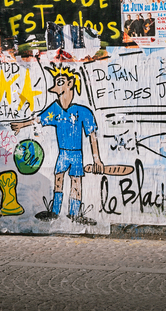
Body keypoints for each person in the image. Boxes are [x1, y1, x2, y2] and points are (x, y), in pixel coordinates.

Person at [12, 64, 104, 225]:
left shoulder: (82, 111)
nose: (56, 85)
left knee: (76, 181)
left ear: (70, 84)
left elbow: (92, 135)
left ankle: (74, 213)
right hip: (63, 153)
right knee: (58, 180)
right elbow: (38, 120)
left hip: (76, 154)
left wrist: (96, 159)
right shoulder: (55, 109)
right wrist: (22, 125)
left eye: (61, 81)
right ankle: (55, 211)